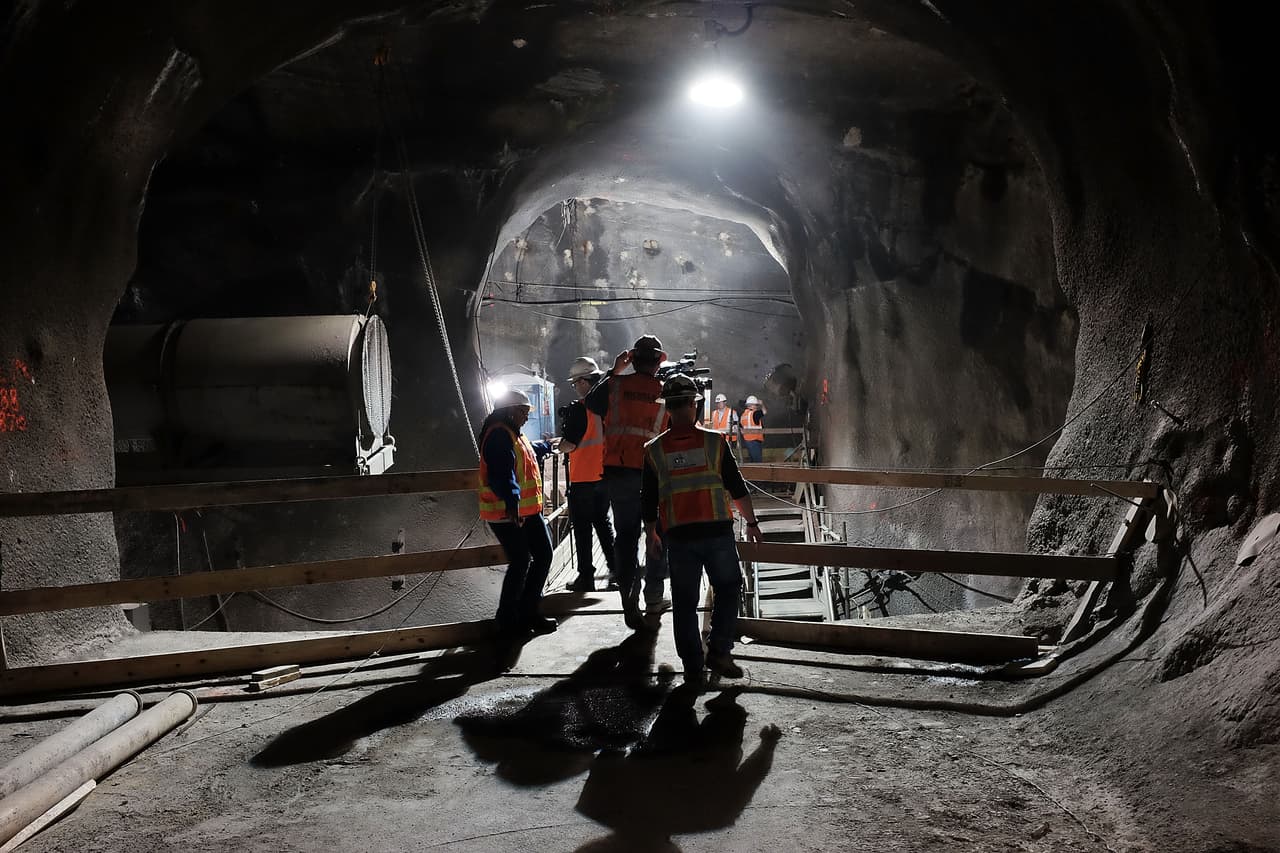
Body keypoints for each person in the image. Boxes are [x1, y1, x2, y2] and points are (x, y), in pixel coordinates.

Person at [642, 375, 763, 686]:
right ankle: (719, 650)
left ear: (667, 408)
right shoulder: (714, 442)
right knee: (729, 587)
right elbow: (737, 489)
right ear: (694, 405)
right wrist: (751, 523)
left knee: (684, 602)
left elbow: (649, 498)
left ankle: (694, 667)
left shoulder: (654, 450)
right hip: (716, 531)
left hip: (679, 536)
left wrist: (650, 534)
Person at [585, 334, 671, 629]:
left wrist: (614, 370)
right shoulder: (665, 391)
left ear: (632, 359)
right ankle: (654, 599)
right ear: (659, 362)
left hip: (620, 473)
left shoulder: (615, 385)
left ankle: (627, 601)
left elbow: (592, 403)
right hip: (654, 475)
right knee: (657, 535)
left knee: (625, 539)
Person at [477, 388, 557, 639]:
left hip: (524, 511)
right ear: (510, 410)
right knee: (524, 560)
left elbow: (526, 454)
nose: (526, 416)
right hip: (509, 513)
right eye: (523, 411)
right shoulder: (499, 434)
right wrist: (512, 505)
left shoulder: (510, 433)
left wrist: (547, 446)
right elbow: (502, 473)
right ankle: (509, 619)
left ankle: (526, 612)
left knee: (540, 556)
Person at [558, 356, 619, 593]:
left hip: (583, 479)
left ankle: (586, 578)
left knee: (582, 530)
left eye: (575, 383)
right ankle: (617, 572)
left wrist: (559, 445)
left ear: (585, 381)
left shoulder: (579, 409)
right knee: (604, 524)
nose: (575, 387)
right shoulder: (607, 407)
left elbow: (570, 445)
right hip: (604, 476)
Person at [739, 395, 767, 463]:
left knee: (753, 461)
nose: (757, 407)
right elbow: (764, 412)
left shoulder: (743, 415)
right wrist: (762, 404)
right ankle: (758, 473)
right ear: (752, 405)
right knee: (758, 462)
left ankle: (753, 473)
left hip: (748, 441)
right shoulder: (755, 413)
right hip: (755, 440)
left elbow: (740, 426)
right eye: (756, 405)